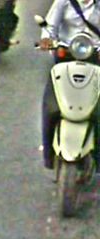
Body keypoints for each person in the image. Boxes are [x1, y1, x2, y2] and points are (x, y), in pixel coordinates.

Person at [39, 0, 100, 169]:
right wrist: (47, 40)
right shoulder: (63, 2)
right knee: (51, 106)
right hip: (65, 56)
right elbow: (50, 27)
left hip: (96, 58)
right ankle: (48, 153)